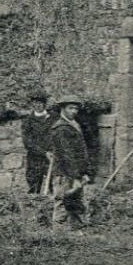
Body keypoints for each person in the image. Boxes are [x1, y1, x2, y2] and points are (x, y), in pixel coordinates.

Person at [48, 98, 98, 229]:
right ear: (63, 109)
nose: (74, 111)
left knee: (76, 202)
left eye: (76, 108)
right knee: (62, 202)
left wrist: (85, 172)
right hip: (64, 173)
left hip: (76, 172)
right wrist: (75, 176)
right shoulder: (60, 128)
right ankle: (59, 236)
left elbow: (82, 152)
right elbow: (67, 154)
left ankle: (76, 234)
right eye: (70, 108)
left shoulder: (74, 125)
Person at [21, 91, 53, 195]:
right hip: (35, 158)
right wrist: (44, 153)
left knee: (54, 185)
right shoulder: (28, 121)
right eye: (34, 102)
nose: (37, 105)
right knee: (34, 187)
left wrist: (53, 151)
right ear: (31, 104)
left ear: (44, 104)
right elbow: (27, 142)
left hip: (52, 157)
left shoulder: (54, 118)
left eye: (40, 102)